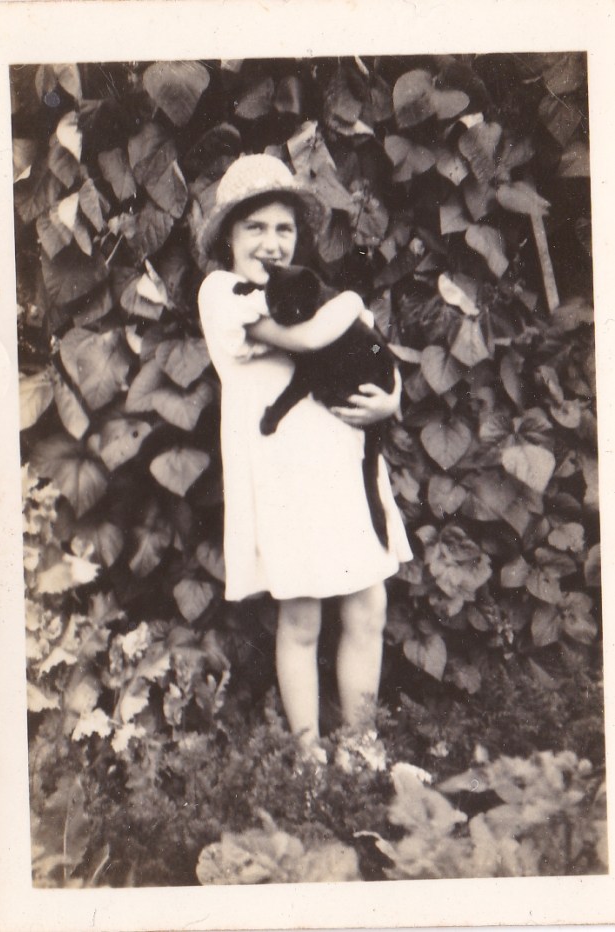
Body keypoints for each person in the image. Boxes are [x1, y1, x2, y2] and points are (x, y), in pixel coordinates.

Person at [196, 154, 413, 770]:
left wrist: (391, 402)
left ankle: (360, 745)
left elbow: (377, 351)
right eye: (255, 228)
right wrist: (351, 304)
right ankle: (308, 755)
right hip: (286, 482)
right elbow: (313, 338)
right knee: (301, 615)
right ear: (229, 238)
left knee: (369, 604)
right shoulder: (224, 294)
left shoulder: (305, 289)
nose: (270, 242)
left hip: (345, 470)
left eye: (284, 229)